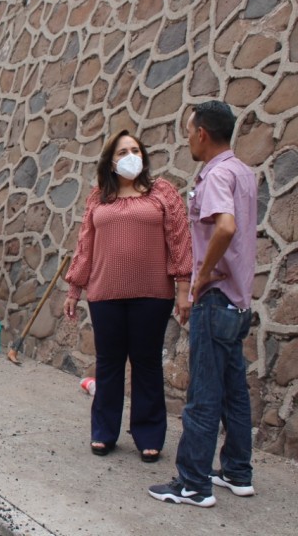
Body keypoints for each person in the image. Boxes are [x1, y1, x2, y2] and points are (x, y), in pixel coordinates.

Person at [149, 100, 257, 508]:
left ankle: (193, 483)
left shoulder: (215, 176)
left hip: (216, 300)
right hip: (239, 303)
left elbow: (225, 227)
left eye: (189, 129)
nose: (187, 136)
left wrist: (202, 275)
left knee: (203, 396)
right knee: (234, 392)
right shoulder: (243, 173)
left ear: (202, 134)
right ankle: (237, 472)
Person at [63, 129, 191, 462]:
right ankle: (104, 433)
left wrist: (183, 289)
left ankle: (149, 435)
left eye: (135, 150)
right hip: (105, 294)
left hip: (153, 294)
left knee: (146, 363)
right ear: (111, 161)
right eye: (122, 152)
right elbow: (85, 245)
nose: (131, 156)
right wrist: (74, 288)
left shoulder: (162, 193)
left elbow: (179, 241)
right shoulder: (98, 198)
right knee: (108, 364)